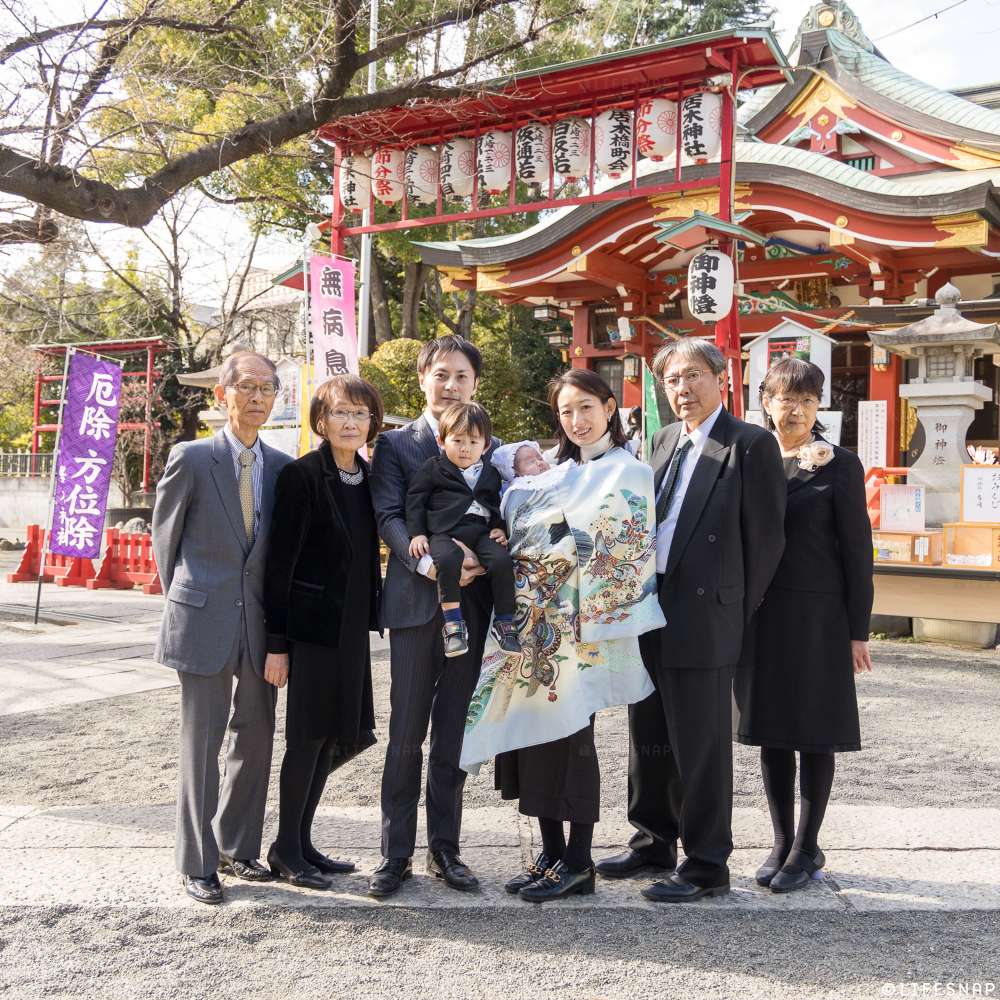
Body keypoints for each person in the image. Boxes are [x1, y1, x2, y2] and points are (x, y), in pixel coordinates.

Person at [461, 370, 662, 903]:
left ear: (610, 406)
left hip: (582, 632)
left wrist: (547, 544)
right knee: (534, 739)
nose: (577, 420)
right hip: (534, 629)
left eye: (586, 407)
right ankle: (551, 856)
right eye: (567, 411)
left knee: (572, 741)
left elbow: (625, 546)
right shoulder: (558, 472)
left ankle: (579, 862)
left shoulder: (628, 471)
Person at [597, 338, 786, 902]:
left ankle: (706, 863)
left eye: (693, 376)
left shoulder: (749, 444)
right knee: (647, 731)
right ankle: (654, 838)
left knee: (701, 743)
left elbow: (768, 540)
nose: (682, 389)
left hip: (707, 614)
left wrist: (735, 609)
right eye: (672, 379)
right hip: (651, 609)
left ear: (720, 379)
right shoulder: (661, 440)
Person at [152, 351, 292, 905]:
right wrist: (191, 598)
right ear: (222, 394)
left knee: (254, 739)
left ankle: (238, 847)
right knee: (201, 743)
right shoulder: (191, 457)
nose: (258, 397)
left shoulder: (282, 468)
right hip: (201, 618)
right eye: (248, 386)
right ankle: (197, 861)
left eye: (268, 388)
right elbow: (167, 542)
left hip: (260, 625)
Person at [734, 359, 874, 893]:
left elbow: (857, 550)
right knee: (771, 730)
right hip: (763, 616)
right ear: (765, 400)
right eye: (785, 398)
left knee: (815, 732)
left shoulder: (838, 464)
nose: (796, 409)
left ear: (819, 408)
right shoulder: (751, 455)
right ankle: (780, 840)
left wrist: (857, 629)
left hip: (820, 617)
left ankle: (806, 846)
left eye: (808, 400)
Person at [368, 335, 497, 898]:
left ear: (475, 383)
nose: (450, 385)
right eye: (441, 374)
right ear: (422, 378)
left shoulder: (486, 445)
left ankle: (446, 848)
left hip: (471, 605)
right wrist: (427, 565)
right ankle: (394, 853)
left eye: (462, 376)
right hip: (417, 606)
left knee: (452, 732)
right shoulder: (397, 445)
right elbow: (389, 515)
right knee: (405, 731)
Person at [262, 374, 384, 890]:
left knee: (335, 734)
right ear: (321, 420)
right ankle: (285, 848)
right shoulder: (302, 475)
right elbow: (279, 566)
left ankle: (303, 842)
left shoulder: (369, 477)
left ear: (372, 422)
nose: (350, 422)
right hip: (312, 631)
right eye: (340, 412)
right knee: (306, 738)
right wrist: (277, 644)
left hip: (352, 628)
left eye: (360, 413)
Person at [406, 401, 519, 657]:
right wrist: (418, 533)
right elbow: (415, 500)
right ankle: (454, 625)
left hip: (481, 532)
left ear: (486, 445)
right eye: (457, 441)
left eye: (473, 442)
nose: (465, 448)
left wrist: (500, 528)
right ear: (442, 441)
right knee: (447, 559)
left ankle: (505, 622)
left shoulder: (490, 473)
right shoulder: (433, 468)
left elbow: (496, 504)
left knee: (502, 560)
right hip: (445, 532)